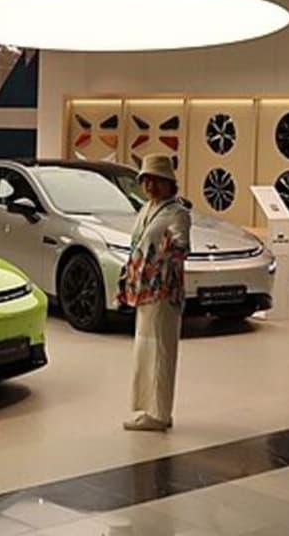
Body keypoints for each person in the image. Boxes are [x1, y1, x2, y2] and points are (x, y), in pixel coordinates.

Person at [120, 154, 191, 432]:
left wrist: (164, 254)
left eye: (156, 180)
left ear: (169, 182)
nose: (149, 186)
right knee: (146, 349)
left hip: (163, 291)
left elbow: (182, 246)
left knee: (161, 350)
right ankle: (149, 408)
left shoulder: (177, 212)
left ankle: (160, 413)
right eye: (146, 180)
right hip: (144, 291)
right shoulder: (147, 208)